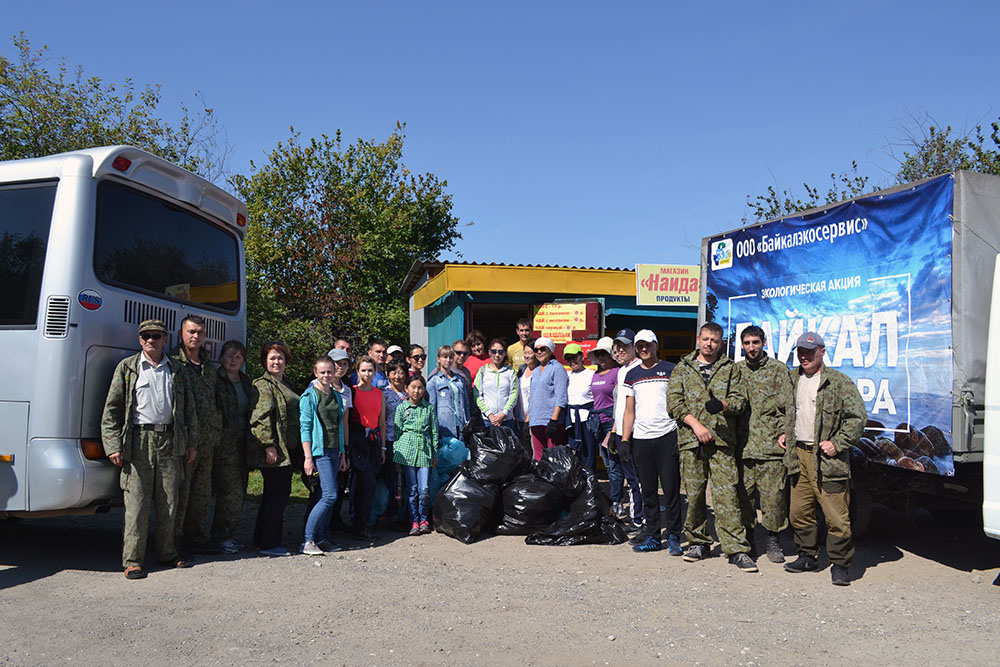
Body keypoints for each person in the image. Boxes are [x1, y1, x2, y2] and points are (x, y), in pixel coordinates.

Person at [101, 319, 197, 579]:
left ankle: (167, 553)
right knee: (137, 505)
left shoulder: (176, 369)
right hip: (138, 442)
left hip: (170, 441)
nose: (151, 340)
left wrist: (191, 442)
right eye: (146, 336)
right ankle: (132, 560)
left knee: (169, 502)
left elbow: (189, 411)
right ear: (140, 339)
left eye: (156, 336)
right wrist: (112, 446)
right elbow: (111, 409)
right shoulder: (128, 368)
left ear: (165, 339)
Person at [667, 322, 754, 572]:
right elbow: (674, 403)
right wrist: (695, 425)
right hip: (691, 442)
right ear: (698, 339)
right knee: (694, 495)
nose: (709, 344)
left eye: (714, 341)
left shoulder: (730, 369)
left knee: (727, 495)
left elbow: (741, 401)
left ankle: (736, 548)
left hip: (722, 441)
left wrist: (725, 405)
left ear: (721, 343)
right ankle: (697, 542)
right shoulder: (683, 368)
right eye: (705, 339)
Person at [781, 332, 866, 586]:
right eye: (800, 352)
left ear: (823, 352)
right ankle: (807, 555)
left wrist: (837, 443)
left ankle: (840, 564)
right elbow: (782, 411)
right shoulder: (791, 379)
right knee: (799, 512)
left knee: (836, 517)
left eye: (809, 351)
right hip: (798, 456)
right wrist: (783, 434)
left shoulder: (838, 382)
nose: (804, 356)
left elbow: (857, 418)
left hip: (827, 461)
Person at [619, 330, 683, 555]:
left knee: (671, 489)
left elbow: (679, 402)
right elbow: (629, 410)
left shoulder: (671, 370)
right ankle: (654, 536)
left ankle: (674, 536)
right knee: (648, 491)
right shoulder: (632, 375)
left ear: (656, 345)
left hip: (667, 435)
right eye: (639, 346)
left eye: (648, 345)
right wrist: (625, 440)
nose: (644, 349)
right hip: (641, 439)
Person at [735, 325, 794, 564]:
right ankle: (749, 540)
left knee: (774, 499)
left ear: (764, 342)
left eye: (755, 343)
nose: (751, 348)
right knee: (744, 498)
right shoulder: (736, 370)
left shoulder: (779, 371)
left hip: (771, 448)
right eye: (747, 343)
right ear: (742, 345)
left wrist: (785, 434)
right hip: (743, 448)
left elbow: (789, 407)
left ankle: (773, 541)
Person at [170, 314, 222, 555]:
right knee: (181, 492)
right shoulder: (172, 363)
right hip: (184, 440)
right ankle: (174, 538)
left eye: (200, 332)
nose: (196, 336)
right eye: (191, 332)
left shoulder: (209, 365)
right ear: (181, 334)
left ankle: (196, 537)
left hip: (208, 440)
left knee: (202, 493)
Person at [249, 341, 300, 557]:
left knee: (276, 494)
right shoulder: (263, 384)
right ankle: (269, 544)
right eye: (272, 358)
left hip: (288, 448)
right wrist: (268, 445)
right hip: (276, 450)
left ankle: (262, 539)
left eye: (280, 358)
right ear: (264, 361)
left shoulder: (286, 384)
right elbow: (261, 418)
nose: (276, 361)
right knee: (276, 494)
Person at [298, 355, 350, 555]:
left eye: (329, 371)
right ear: (315, 373)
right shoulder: (309, 396)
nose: (326, 375)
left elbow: (339, 427)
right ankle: (308, 540)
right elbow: (305, 427)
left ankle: (321, 537)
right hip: (319, 451)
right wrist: (308, 457)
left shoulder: (337, 396)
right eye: (322, 372)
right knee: (330, 495)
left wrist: (343, 453)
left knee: (324, 493)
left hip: (334, 449)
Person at [211, 340, 258, 554]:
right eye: (230, 355)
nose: (233, 360)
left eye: (238, 357)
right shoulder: (214, 380)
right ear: (222, 357)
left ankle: (227, 535)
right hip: (222, 445)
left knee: (240, 490)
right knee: (231, 492)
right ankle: (220, 536)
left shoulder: (247, 383)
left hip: (242, 445)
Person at [393, 374, 440, 535]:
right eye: (413, 387)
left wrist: (434, 453)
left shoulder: (429, 408)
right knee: (412, 489)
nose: (416, 391)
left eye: (420, 388)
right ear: (406, 388)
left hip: (424, 452)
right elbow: (397, 432)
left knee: (424, 489)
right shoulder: (401, 408)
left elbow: (434, 432)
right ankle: (414, 520)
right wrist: (396, 455)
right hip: (406, 451)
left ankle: (424, 518)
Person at [349, 355, 387, 540]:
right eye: (363, 370)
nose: (366, 374)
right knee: (363, 483)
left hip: (373, 442)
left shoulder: (379, 394)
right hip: (357, 442)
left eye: (370, 370)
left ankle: (362, 523)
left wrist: (383, 448)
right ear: (357, 371)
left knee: (369, 484)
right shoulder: (352, 392)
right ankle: (359, 524)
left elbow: (382, 423)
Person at [611, 329, 644, 529]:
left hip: (636, 432)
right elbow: (620, 407)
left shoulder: (640, 367)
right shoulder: (621, 370)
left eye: (625, 346)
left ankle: (640, 519)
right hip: (621, 432)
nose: (620, 351)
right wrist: (615, 432)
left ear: (635, 348)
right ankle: (636, 518)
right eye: (617, 347)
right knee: (631, 478)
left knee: (638, 479)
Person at [589, 337, 625, 516]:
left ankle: (617, 501)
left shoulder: (617, 372)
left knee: (613, 464)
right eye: (598, 355)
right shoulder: (596, 374)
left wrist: (613, 430)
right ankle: (614, 500)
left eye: (604, 354)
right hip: (597, 422)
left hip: (612, 422)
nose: (601, 358)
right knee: (606, 462)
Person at [527, 337, 568, 460]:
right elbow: (533, 396)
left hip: (550, 419)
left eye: (542, 349)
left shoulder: (557, 368)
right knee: (538, 456)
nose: (539, 352)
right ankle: (541, 479)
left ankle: (553, 480)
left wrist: (554, 420)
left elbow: (560, 396)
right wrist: (527, 419)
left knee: (552, 456)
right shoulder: (535, 371)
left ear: (550, 350)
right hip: (536, 419)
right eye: (536, 350)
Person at [381, 359, 410, 525]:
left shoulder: (410, 394)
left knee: (406, 480)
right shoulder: (384, 394)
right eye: (393, 372)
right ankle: (390, 513)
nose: (397, 376)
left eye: (401, 372)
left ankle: (404, 513)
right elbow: (382, 421)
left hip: (408, 442)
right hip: (391, 440)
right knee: (391, 479)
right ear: (388, 374)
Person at [474, 338, 519, 437]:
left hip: (507, 420)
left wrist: (504, 413)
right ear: (489, 352)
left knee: (508, 451)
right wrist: (489, 414)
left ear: (505, 353)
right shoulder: (482, 371)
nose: (497, 355)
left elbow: (514, 394)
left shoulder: (510, 372)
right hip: (488, 420)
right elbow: (477, 395)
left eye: (500, 352)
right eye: (493, 351)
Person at [564, 343, 596, 471]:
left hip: (587, 420)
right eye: (568, 359)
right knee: (573, 454)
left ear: (581, 356)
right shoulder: (566, 375)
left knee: (588, 454)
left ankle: (590, 482)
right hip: (571, 421)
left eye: (574, 357)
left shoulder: (592, 374)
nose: (572, 361)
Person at [427, 345, 470, 440]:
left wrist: (467, 421)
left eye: (451, 357)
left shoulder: (459, 380)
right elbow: (432, 406)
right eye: (445, 357)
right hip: (444, 425)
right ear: (438, 359)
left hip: (460, 424)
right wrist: (433, 428)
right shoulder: (433, 381)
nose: (448, 360)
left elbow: (465, 403)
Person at [515, 338, 538, 452]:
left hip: (531, 419)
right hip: (519, 417)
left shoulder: (540, 371)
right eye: (525, 352)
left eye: (530, 353)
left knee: (533, 451)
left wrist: (527, 420)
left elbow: (536, 398)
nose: (527, 356)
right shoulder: (522, 369)